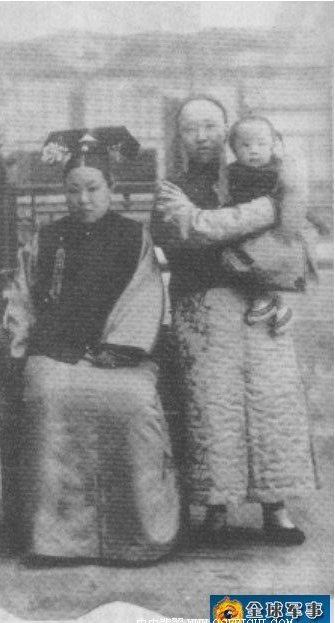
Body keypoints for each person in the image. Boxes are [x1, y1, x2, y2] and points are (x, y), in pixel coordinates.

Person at [2, 127, 179, 564]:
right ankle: (56, 540)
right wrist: (21, 349)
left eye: (93, 188)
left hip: (121, 355)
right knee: (49, 395)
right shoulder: (46, 238)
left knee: (134, 403)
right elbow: (22, 297)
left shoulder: (134, 236)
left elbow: (144, 296)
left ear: (111, 189)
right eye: (73, 190)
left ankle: (133, 537)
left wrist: (118, 348)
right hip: (56, 353)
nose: (83, 199)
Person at [153, 96, 318, 545]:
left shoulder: (258, 173)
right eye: (191, 129)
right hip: (201, 305)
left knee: (271, 402)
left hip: (259, 302)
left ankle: (276, 506)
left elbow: (294, 234)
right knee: (212, 405)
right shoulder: (172, 187)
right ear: (179, 137)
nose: (202, 137)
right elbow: (181, 235)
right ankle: (215, 506)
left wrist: (211, 222)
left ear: (226, 130)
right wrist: (268, 210)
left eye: (210, 126)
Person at [220, 115, 310, 335]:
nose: (254, 150)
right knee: (236, 262)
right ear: (233, 148)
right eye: (245, 145)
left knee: (261, 264)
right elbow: (223, 196)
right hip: (244, 225)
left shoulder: (278, 171)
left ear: (272, 146)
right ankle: (273, 304)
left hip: (271, 230)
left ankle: (268, 301)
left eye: (261, 144)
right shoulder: (231, 172)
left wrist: (313, 218)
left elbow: (294, 197)